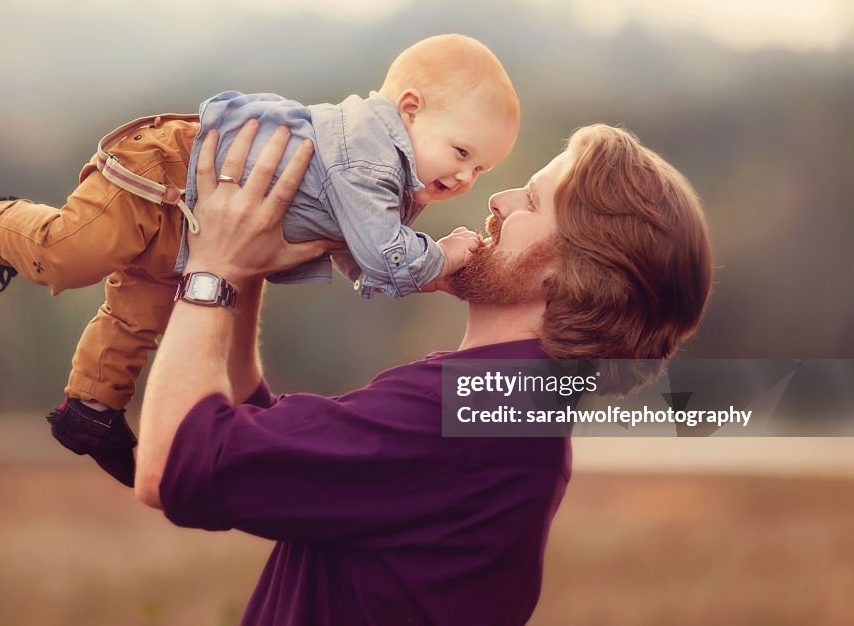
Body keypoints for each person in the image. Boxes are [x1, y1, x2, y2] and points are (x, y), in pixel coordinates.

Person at [134, 121, 713, 624]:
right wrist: (250, 264)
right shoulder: (504, 410)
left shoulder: (470, 414)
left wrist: (211, 267)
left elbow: (171, 465)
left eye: (531, 204)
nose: (499, 200)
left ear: (569, 280)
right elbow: (259, 443)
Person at [0, 34, 518, 486]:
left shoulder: (392, 183)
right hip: (168, 170)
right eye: (462, 152)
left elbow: (364, 266)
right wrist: (438, 259)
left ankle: (90, 408)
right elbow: (382, 256)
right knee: (71, 254)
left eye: (481, 169)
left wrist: (423, 274)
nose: (466, 176)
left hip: (201, 221)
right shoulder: (368, 158)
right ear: (409, 111)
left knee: (142, 311)